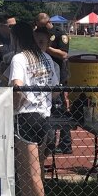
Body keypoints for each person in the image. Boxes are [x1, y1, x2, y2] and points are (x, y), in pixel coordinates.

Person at [8, 22, 58, 196]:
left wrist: (15, 105)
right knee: (28, 169)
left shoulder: (19, 59)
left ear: (17, 39)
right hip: (44, 117)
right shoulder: (46, 58)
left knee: (32, 172)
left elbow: (17, 87)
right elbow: (55, 91)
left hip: (26, 118)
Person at [35, 13, 71, 153]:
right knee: (47, 112)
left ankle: (65, 144)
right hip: (42, 75)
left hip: (58, 75)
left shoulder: (60, 34)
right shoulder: (38, 33)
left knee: (60, 110)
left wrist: (46, 48)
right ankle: (49, 142)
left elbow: (64, 54)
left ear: (48, 22)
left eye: (41, 26)